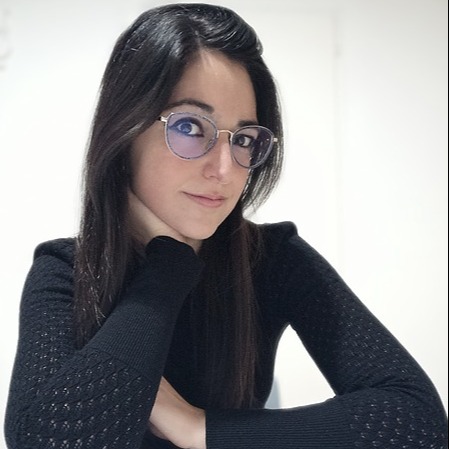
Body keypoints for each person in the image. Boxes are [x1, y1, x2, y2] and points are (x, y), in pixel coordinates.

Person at [4, 3, 447, 448]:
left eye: (244, 138)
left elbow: (417, 421)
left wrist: (198, 427)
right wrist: (170, 263)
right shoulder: (67, 271)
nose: (225, 169)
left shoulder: (270, 258)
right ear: (125, 129)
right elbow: (46, 440)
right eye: (190, 127)